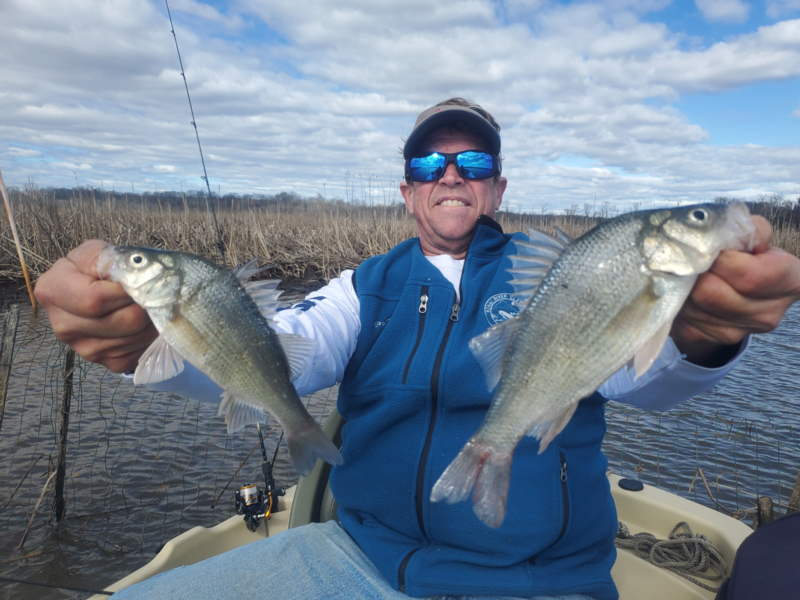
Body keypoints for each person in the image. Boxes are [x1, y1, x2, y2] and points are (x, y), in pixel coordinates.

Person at [34, 99, 800, 600]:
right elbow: (278, 352)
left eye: (472, 164)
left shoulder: (560, 276)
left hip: (540, 583)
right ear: (407, 191)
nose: (451, 177)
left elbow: (649, 384)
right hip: (357, 560)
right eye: (431, 165)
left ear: (496, 189)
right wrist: (143, 343)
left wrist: (702, 331)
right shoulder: (363, 287)